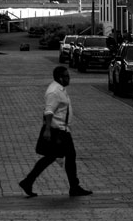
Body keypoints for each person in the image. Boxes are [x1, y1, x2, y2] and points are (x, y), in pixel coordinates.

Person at [18, 65, 92, 198]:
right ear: (60, 77)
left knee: (56, 157)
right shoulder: (54, 92)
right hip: (57, 131)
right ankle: (73, 187)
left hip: (62, 130)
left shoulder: (60, 89)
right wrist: (47, 130)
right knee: (64, 156)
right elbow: (48, 111)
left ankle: (28, 181)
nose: (69, 78)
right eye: (66, 76)